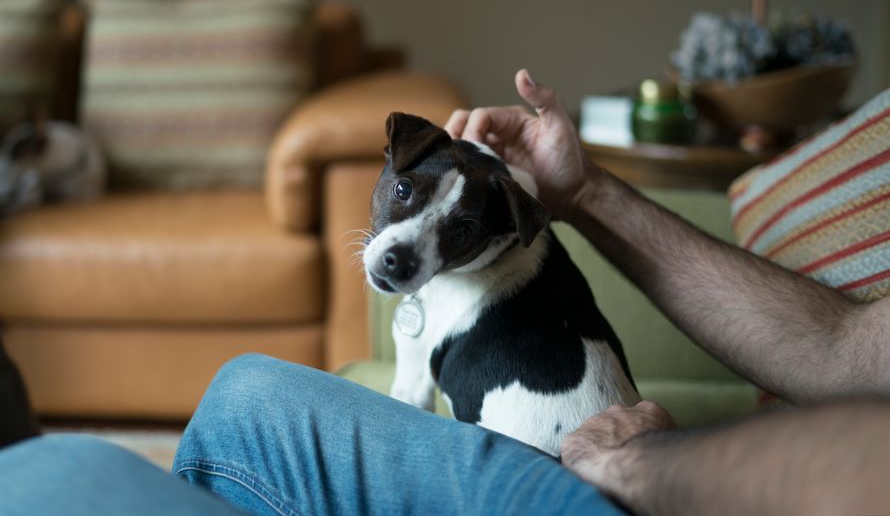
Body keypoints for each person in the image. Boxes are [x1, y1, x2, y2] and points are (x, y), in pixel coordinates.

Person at [1, 70, 888, 516]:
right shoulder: (510, 240)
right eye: (403, 198)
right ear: (396, 163)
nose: (396, 254)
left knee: (48, 474)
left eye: (445, 234)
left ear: (503, 237)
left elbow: (411, 396)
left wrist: (652, 468)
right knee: (236, 396)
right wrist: (587, 193)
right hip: (606, 462)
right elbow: (845, 354)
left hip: (595, 480)